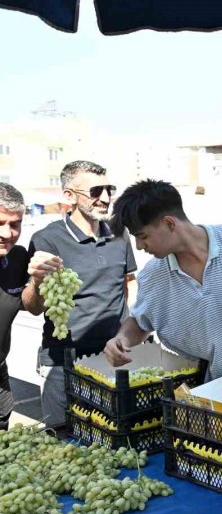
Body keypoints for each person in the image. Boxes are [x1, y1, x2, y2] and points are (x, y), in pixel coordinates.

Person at [102, 180, 222, 380]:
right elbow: (141, 322)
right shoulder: (153, 277)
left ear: (170, 223)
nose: (139, 246)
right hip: (211, 395)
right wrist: (121, 338)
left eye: (142, 236)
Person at [22, 161, 136, 428]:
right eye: (96, 191)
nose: (106, 199)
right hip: (63, 364)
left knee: (118, 438)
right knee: (62, 441)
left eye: (110, 189)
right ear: (69, 196)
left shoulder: (120, 233)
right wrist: (38, 281)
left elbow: (129, 283)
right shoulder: (46, 239)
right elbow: (34, 307)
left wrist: (127, 332)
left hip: (113, 360)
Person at [0, 184, 58, 430]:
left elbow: (33, 307)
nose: (7, 233)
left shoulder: (16, 259)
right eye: (0, 223)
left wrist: (38, 280)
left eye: (15, 224)